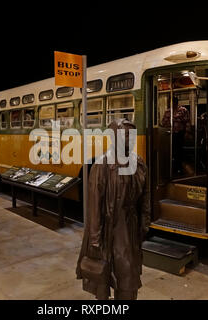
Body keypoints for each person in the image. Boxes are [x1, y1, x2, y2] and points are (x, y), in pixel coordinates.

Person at [76, 119, 151, 300]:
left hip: (129, 228)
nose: (130, 139)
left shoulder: (139, 163)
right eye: (126, 135)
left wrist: (145, 223)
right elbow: (94, 207)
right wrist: (95, 239)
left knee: (128, 280)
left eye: (132, 135)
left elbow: (146, 197)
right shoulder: (101, 166)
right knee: (103, 279)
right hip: (107, 230)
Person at [161, 95, 191, 176]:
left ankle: (180, 169)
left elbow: (187, 122)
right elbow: (163, 123)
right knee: (172, 151)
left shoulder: (183, 110)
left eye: (173, 102)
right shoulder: (167, 111)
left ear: (176, 102)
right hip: (170, 134)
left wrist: (187, 133)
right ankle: (173, 168)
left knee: (179, 151)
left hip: (180, 133)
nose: (172, 103)